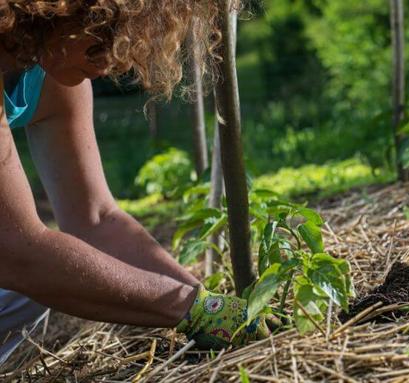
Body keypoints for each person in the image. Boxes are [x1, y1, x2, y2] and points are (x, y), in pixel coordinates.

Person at [0, 1, 266, 365]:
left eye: (126, 36)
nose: (114, 59)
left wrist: (206, 302)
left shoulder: (48, 76)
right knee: (39, 273)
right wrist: (188, 308)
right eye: (104, 31)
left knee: (37, 288)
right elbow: (17, 252)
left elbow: (95, 219)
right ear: (54, 12)